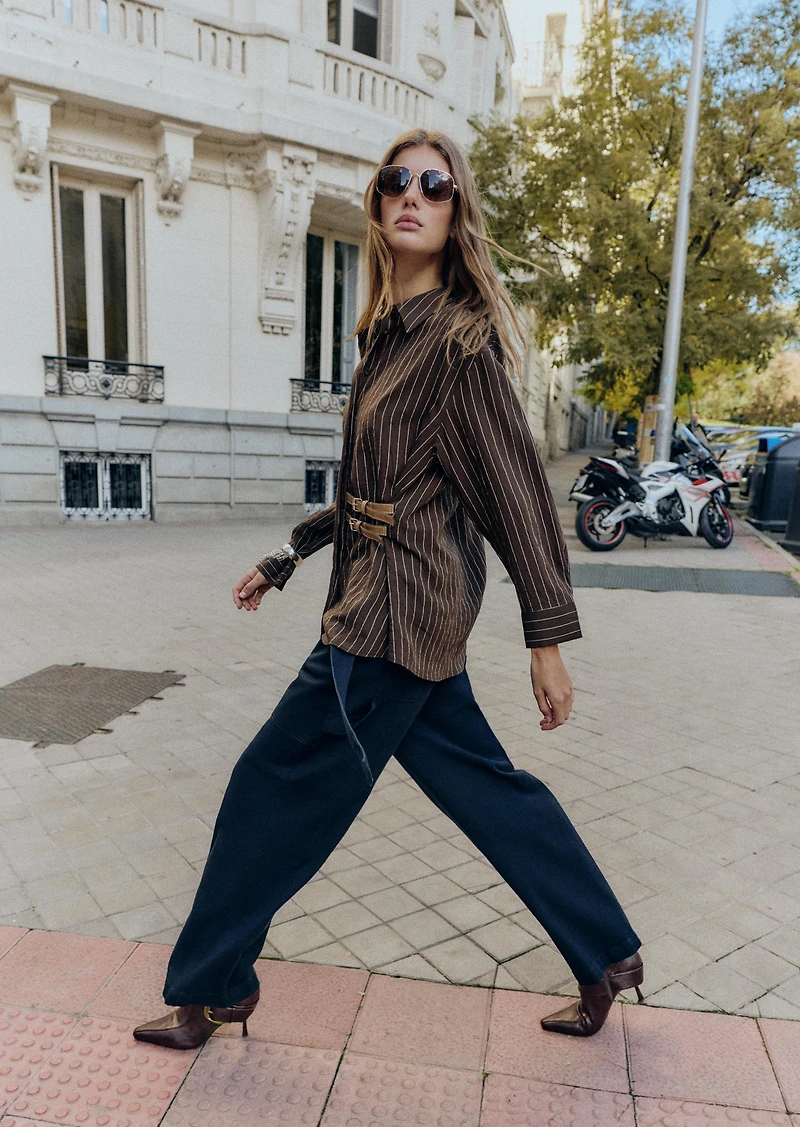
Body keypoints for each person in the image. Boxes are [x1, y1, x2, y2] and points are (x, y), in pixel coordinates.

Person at [134, 129, 643, 1049]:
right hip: (390, 608)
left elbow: (519, 497)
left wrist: (547, 638)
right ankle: (605, 952)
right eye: (396, 182)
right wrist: (292, 554)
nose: (413, 195)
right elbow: (378, 487)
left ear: (456, 215)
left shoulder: (457, 344)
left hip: (393, 618)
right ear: (376, 204)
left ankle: (212, 987)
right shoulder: (385, 337)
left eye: (435, 186)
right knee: (490, 790)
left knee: (269, 789)